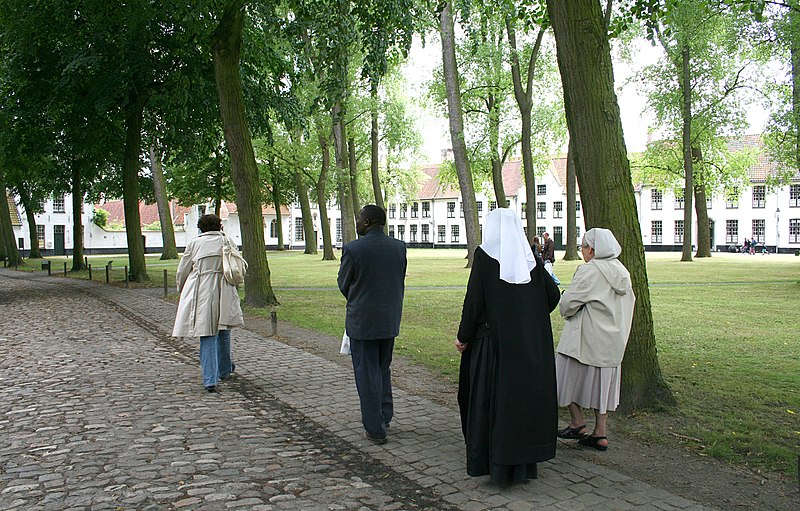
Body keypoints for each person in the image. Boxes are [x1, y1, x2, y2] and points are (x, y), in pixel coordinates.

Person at [455, 208, 561, 484]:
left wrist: (463, 336)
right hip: (528, 346)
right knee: (520, 404)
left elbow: (474, 301)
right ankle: (524, 466)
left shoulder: (484, 257)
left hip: (494, 347)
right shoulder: (530, 260)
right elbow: (552, 296)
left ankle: (497, 465)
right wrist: (528, 316)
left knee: (495, 405)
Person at [555, 228, 635, 451]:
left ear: (591, 249)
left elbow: (570, 303)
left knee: (562, 374)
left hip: (585, 337)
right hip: (612, 340)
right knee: (603, 385)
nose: (582, 251)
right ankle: (600, 432)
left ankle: (577, 422)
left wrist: (565, 305)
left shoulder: (590, 271)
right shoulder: (622, 271)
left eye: (582, 247)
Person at [338, 205, 407, 444]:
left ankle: (375, 428)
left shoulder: (353, 249)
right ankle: (384, 415)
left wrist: (360, 300)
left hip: (363, 321)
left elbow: (344, 283)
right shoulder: (399, 247)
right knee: (382, 369)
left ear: (367, 222)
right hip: (389, 319)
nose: (356, 222)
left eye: (359, 219)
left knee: (366, 374)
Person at [173, 214, 244, 393]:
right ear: (219, 226)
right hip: (225, 289)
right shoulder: (228, 242)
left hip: (202, 291)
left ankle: (210, 379)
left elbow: (183, 270)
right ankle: (224, 369)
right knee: (223, 331)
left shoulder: (195, 244)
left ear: (201, 228)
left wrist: (181, 289)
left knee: (207, 334)